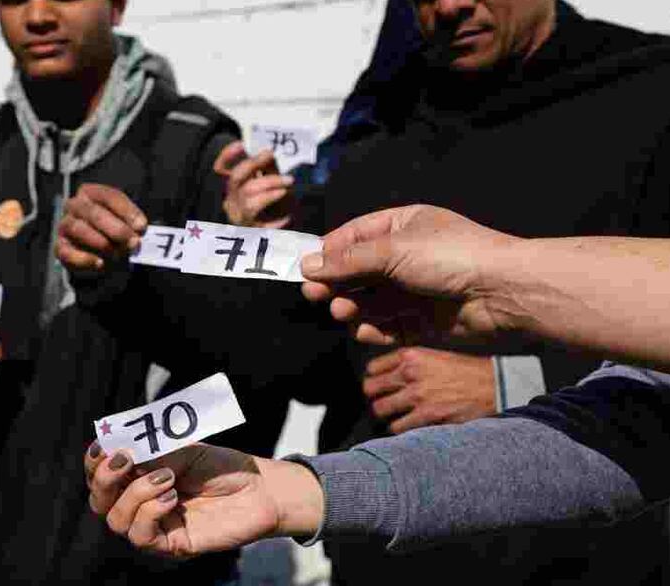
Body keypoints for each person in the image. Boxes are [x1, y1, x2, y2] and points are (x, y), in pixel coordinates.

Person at [206, 0, 670, 580]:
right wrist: (268, 257)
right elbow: (313, 368)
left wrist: (515, 383)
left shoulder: (650, 96)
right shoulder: (376, 132)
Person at [0, 0, 338, 582]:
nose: (39, 16)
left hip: (154, 555)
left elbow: (266, 362)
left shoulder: (195, 147)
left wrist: (227, 260)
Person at [83, 204, 670, 564]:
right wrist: (289, 490)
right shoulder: (372, 127)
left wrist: (496, 289)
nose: (448, 2)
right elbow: (632, 424)